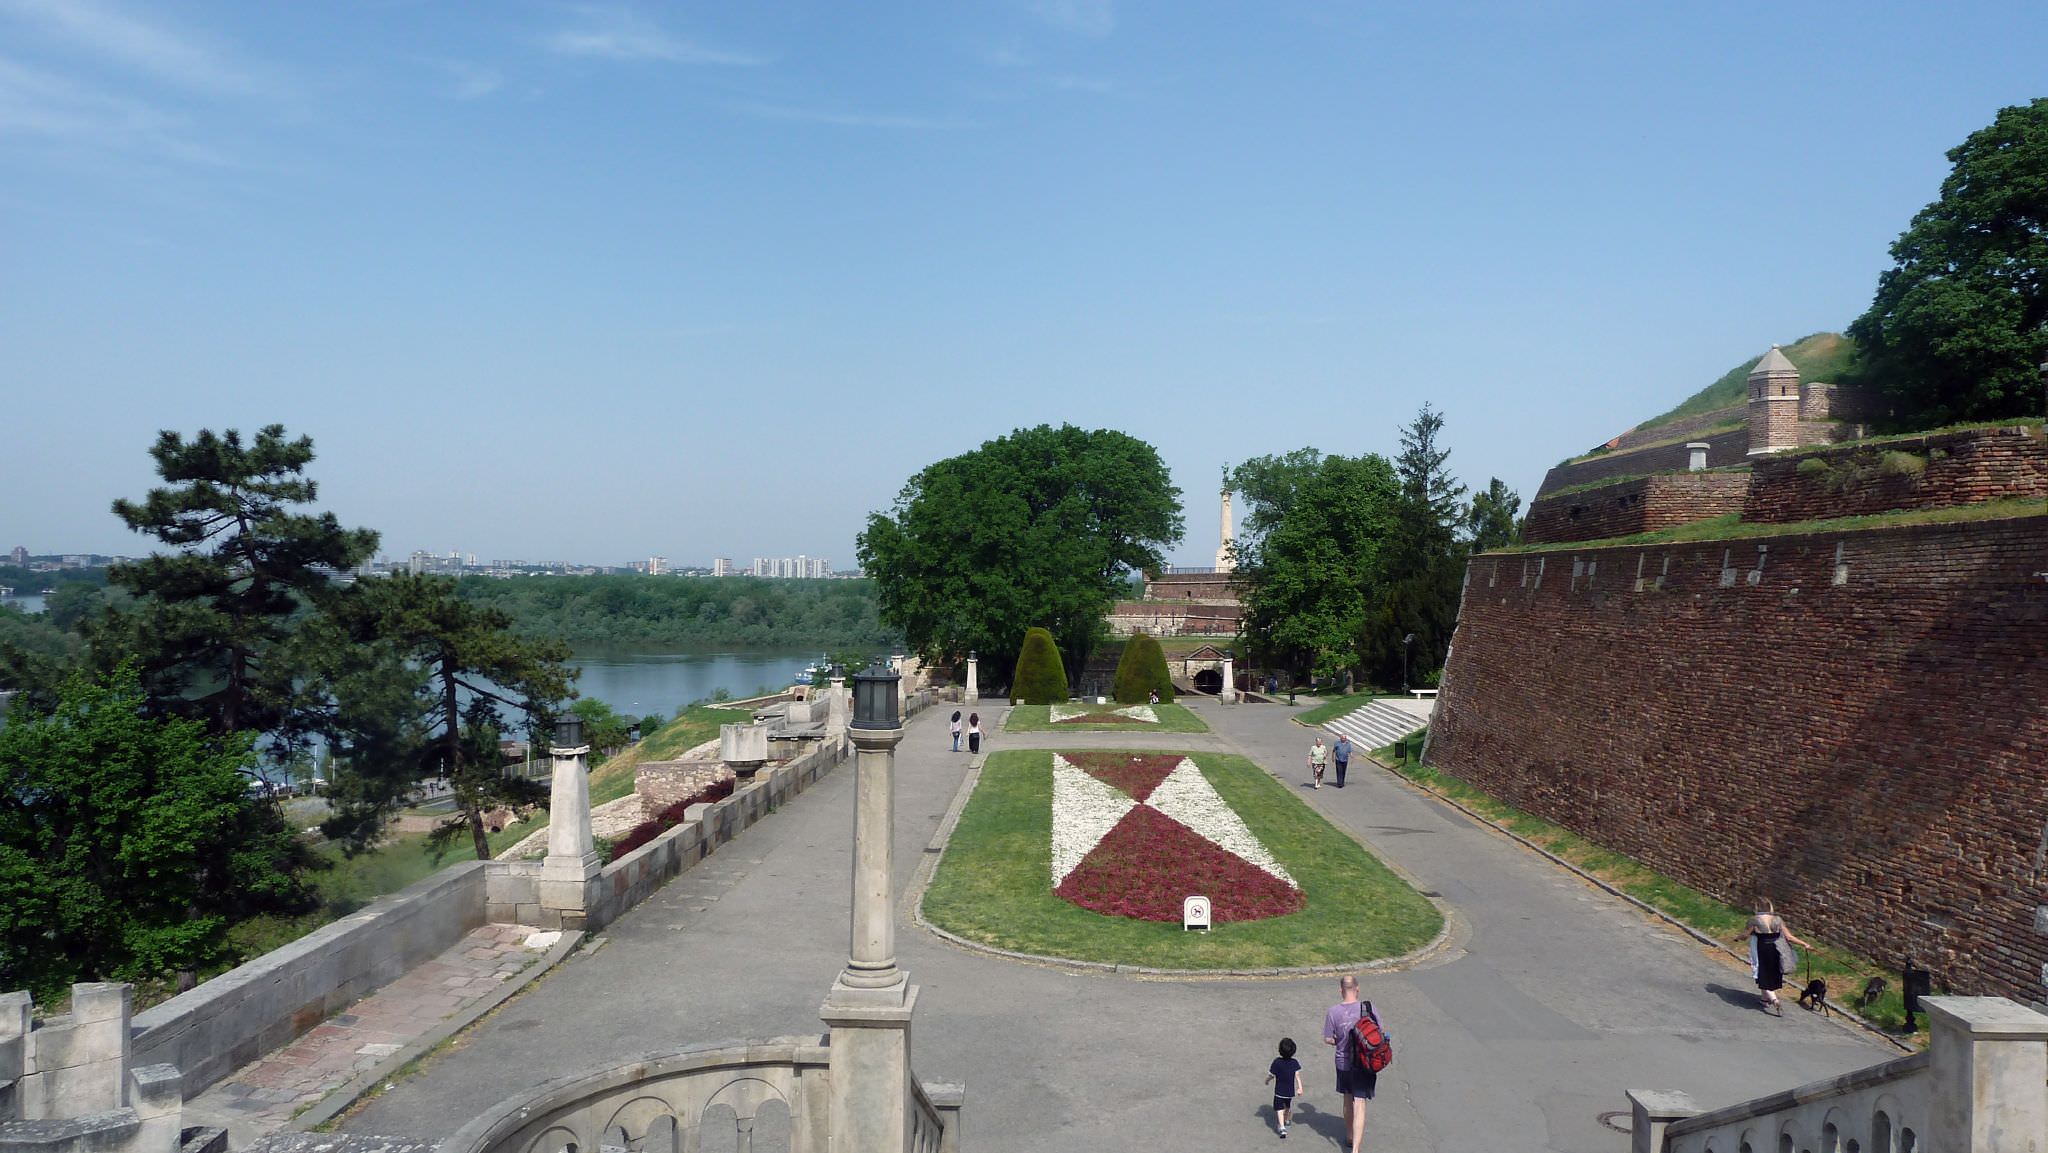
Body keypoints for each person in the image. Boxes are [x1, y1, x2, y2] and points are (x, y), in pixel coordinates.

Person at [1322, 975, 1375, 1153]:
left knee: (1347, 1098)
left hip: (1343, 1062)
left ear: (1341, 990)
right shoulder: (1367, 1008)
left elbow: (1328, 1038)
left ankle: (1350, 1135)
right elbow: (1379, 1032)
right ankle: (1356, 1150)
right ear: (1357, 988)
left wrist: (1338, 1040)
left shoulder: (1333, 1012)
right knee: (1359, 1102)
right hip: (1364, 1063)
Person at [1738, 897, 1811, 1015]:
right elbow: (1789, 937)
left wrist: (1737, 938)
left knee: (1762, 974)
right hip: (1776, 948)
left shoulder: (1755, 920)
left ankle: (1774, 1000)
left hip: (1762, 948)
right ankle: (1764, 1000)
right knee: (1770, 974)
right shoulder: (1777, 919)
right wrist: (1805, 944)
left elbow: (1745, 935)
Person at [1265, 1037, 1303, 1138]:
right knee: (1287, 1107)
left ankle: (1282, 1127)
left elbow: (1271, 1075)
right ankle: (1286, 1120)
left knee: (1279, 1109)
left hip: (1279, 1092)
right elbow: (1297, 1076)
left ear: (1280, 1050)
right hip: (1289, 1092)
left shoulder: (1277, 1062)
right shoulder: (1294, 1063)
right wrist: (1300, 1088)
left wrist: (1267, 1080)